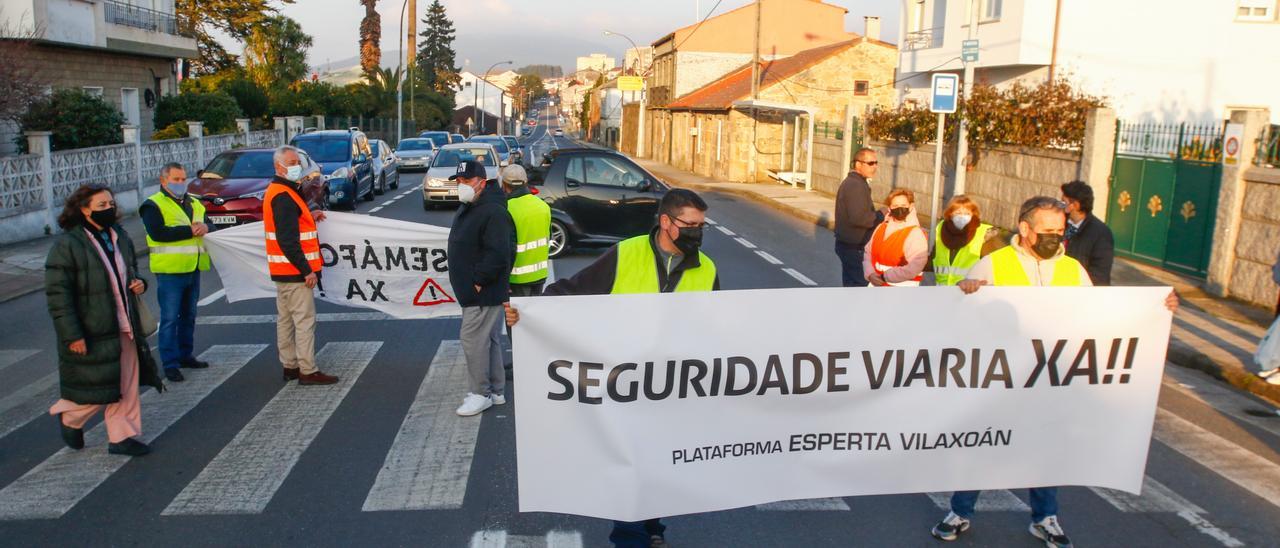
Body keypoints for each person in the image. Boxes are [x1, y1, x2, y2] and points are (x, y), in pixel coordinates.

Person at [935, 196, 1179, 548]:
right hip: (1002, 380)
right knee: (984, 445)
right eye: (1048, 231)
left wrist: (1157, 308)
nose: (1056, 238)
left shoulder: (1073, 270)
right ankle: (960, 512)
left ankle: (1044, 518)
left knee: (1045, 450)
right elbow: (962, 316)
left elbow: (1096, 317)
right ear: (1025, 229)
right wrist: (966, 290)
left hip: (1051, 380)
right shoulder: (992, 264)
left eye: (1061, 232)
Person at [505, 188, 718, 548]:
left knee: (657, 464)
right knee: (629, 465)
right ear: (666, 223)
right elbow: (575, 290)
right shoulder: (626, 253)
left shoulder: (706, 268)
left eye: (702, 225)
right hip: (622, 384)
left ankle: (652, 528)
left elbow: (714, 326)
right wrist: (529, 314)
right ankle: (630, 537)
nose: (698, 231)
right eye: (691, 224)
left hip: (671, 387)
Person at [45, 183, 163, 457]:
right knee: (101, 384)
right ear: (83, 210)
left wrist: (139, 283)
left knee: (127, 383)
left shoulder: (119, 235)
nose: (109, 209)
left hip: (125, 323)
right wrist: (72, 335)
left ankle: (122, 436)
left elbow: (130, 273)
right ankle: (70, 416)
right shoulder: (68, 246)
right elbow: (58, 297)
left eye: (111, 204)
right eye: (101, 206)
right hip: (93, 328)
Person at [264, 146, 337, 386]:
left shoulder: (280, 190)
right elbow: (288, 239)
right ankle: (307, 369)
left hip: (282, 271)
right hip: (295, 272)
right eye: (291, 162)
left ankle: (290, 366)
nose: (297, 166)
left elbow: (292, 224)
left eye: (297, 161)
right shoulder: (283, 195)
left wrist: (309, 215)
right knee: (304, 321)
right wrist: (306, 270)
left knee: (285, 320)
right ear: (278, 166)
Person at [449, 160, 516, 417]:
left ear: (481, 181)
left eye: (466, 181)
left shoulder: (493, 211)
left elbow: (500, 252)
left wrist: (478, 280)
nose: (460, 186)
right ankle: (496, 390)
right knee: (487, 340)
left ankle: (481, 393)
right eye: (458, 181)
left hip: (482, 291)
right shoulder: (474, 204)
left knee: (472, 340)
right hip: (477, 290)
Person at [140, 162, 212, 383]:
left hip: (193, 267)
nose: (182, 183)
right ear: (164, 181)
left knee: (188, 316)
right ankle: (170, 363)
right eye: (176, 179)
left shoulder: (194, 203)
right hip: (170, 270)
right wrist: (190, 230)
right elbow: (158, 233)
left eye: (183, 179)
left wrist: (206, 227)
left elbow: (209, 223)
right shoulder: (152, 205)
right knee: (170, 318)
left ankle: (185, 355)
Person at [834, 148, 884, 287]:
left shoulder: (856, 183)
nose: (875, 167)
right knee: (858, 288)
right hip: (854, 247)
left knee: (851, 288)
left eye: (876, 163)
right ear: (858, 164)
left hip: (851, 246)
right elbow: (859, 218)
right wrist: (881, 215)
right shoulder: (855, 185)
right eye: (870, 163)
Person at [930, 195, 1004, 286]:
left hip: (969, 293)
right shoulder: (941, 231)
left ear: (974, 214)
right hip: (943, 293)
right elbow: (931, 260)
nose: (962, 217)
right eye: (958, 213)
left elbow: (995, 267)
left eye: (967, 213)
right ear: (950, 214)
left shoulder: (985, 235)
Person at [502, 164, 551, 296]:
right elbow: (548, 238)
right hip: (540, 275)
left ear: (504, 185)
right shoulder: (543, 206)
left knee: (517, 316)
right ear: (525, 182)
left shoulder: (507, 208)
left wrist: (503, 280)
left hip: (517, 279)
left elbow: (508, 248)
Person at [864, 188, 928, 286]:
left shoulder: (915, 233)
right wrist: (870, 274)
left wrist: (885, 277)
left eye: (903, 205)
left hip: (902, 291)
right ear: (889, 208)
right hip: (876, 286)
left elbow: (915, 266)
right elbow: (868, 252)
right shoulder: (881, 227)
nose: (899, 208)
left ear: (911, 206)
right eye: (895, 205)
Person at [1060, 181, 1114, 286]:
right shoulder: (1058, 223)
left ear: (1074, 205)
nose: (1060, 206)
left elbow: (1100, 275)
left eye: (1063, 202)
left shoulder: (1101, 233)